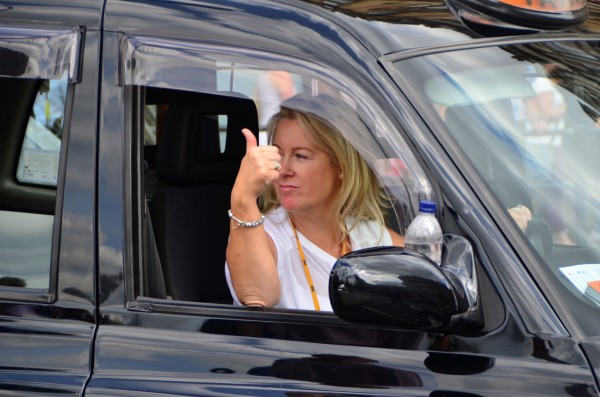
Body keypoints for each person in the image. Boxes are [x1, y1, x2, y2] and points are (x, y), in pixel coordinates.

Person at [225, 94, 404, 312]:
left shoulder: (368, 235)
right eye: (278, 154)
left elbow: (426, 275)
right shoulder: (263, 235)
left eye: (301, 156)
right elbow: (258, 297)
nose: (284, 169)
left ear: (341, 166)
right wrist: (243, 198)